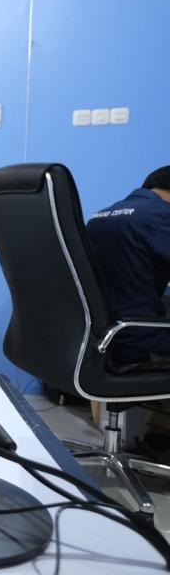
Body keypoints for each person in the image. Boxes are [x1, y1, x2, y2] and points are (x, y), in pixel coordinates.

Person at [86, 164, 170, 459]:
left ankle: (159, 440)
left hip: (98, 342)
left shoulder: (101, 216)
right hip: (136, 343)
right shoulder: (161, 218)